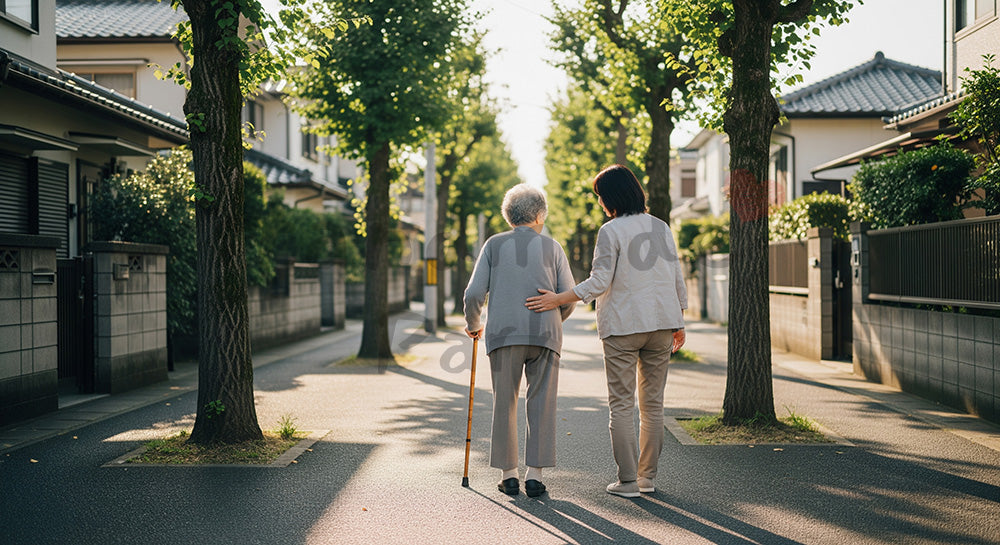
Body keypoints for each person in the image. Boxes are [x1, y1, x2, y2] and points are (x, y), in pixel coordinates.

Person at [525, 164, 687, 498]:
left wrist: (559, 298)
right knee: (653, 406)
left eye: (600, 196)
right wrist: (679, 321)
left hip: (622, 328)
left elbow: (600, 281)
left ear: (611, 197)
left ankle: (627, 482)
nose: (600, 203)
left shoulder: (610, 231)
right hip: (661, 325)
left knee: (622, 406)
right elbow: (675, 276)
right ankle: (647, 479)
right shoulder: (661, 227)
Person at [464, 184, 575, 498]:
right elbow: (569, 296)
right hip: (546, 335)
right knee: (541, 403)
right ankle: (535, 476)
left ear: (508, 216)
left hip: (503, 334)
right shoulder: (553, 248)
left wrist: (474, 325)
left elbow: (473, 294)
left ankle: (509, 475)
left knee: (505, 402)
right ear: (539, 215)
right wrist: (554, 319)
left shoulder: (493, 245)